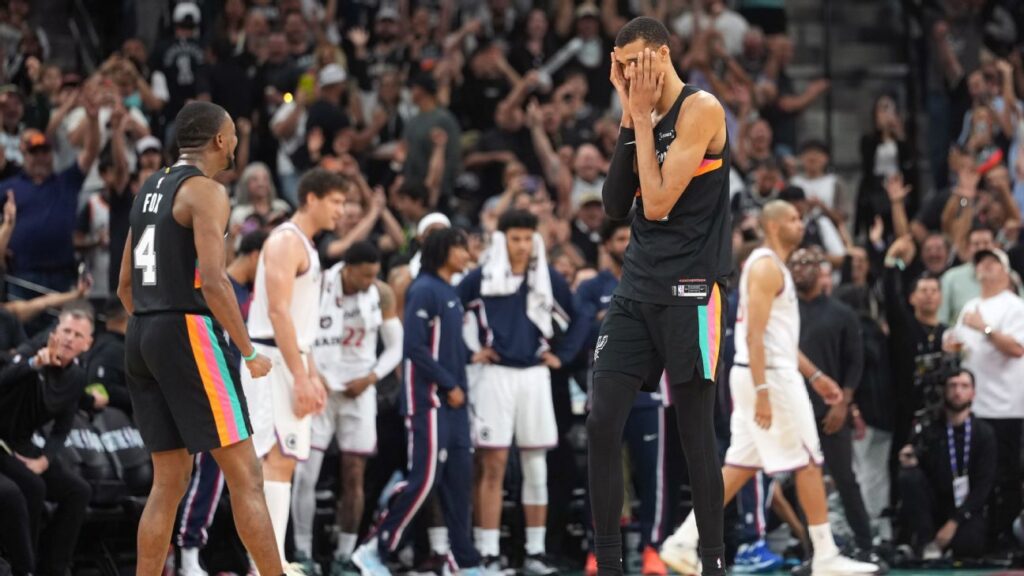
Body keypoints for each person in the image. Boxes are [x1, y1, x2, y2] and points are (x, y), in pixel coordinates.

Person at [659, 202, 878, 575]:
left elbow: (779, 337)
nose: (800, 224)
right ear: (774, 226)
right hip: (768, 377)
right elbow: (752, 335)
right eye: (793, 219)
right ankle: (825, 556)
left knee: (740, 466)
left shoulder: (774, 267)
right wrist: (762, 390)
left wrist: (816, 377)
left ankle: (683, 539)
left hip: (766, 372)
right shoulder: (765, 267)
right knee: (809, 460)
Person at [590, 17, 732, 576]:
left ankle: (714, 562)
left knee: (695, 432)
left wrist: (644, 121)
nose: (627, 74)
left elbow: (655, 204)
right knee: (602, 420)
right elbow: (613, 201)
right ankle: (610, 564)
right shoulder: (640, 108)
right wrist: (630, 116)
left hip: (693, 291)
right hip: (638, 288)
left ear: (664, 55)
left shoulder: (702, 109)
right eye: (620, 66)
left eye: (636, 63)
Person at [116, 101, 283, 576]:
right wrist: (247, 351)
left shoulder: (148, 189)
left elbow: (124, 285)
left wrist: (156, 330)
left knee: (168, 480)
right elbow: (215, 281)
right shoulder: (205, 192)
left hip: (142, 330)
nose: (233, 142)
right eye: (232, 134)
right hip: (186, 329)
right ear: (219, 140)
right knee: (246, 474)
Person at [458, 209, 586, 574]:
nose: (521, 245)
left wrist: (560, 356)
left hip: (534, 375)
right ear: (501, 239)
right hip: (494, 375)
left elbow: (578, 319)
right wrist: (470, 352)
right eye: (515, 238)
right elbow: (450, 311)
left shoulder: (545, 277)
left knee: (535, 465)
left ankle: (534, 550)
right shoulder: (481, 277)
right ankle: (486, 550)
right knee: (492, 463)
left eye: (527, 238)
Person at [352, 228, 485, 576]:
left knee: (459, 480)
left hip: (455, 403)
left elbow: (450, 348)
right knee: (424, 479)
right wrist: (448, 383)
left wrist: (474, 357)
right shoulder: (424, 289)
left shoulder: (451, 292)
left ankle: (465, 561)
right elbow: (414, 347)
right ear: (444, 250)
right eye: (461, 246)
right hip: (429, 401)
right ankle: (374, 549)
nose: (467, 253)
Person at [242, 168, 347, 564]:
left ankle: (271, 563)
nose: (341, 210)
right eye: (335, 202)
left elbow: (300, 321)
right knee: (273, 460)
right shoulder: (286, 241)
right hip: (272, 358)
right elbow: (278, 311)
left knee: (282, 463)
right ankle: (265, 566)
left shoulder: (306, 244)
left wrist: (311, 373)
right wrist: (300, 376)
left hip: (292, 355)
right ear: (311, 199)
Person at [292, 241, 403, 573]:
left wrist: (371, 378)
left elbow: (396, 348)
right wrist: (313, 375)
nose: (370, 280)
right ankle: (302, 552)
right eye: (365, 275)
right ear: (348, 268)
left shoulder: (381, 294)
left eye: (374, 274)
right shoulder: (317, 284)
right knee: (305, 474)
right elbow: (296, 334)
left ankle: (344, 554)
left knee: (354, 475)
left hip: (359, 391)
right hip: (320, 390)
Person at [577, 216, 671, 576]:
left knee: (654, 476)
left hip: (650, 394)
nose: (627, 243)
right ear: (606, 245)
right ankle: (596, 548)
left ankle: (653, 549)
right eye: (619, 238)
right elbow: (581, 338)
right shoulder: (589, 287)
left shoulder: (657, 281)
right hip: (604, 393)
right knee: (600, 472)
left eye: (631, 237)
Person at [175, 229, 267, 576]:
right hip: (205, 385)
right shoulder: (211, 286)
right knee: (200, 472)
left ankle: (248, 558)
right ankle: (186, 553)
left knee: (244, 477)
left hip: (240, 390)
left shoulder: (251, 294)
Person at [789, 246, 880, 562]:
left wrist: (844, 405)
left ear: (821, 270)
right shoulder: (785, 312)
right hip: (797, 411)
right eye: (796, 264)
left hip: (833, 411)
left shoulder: (842, 313)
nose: (801, 269)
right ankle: (812, 553)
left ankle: (866, 545)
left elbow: (855, 363)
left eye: (808, 263)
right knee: (803, 480)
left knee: (845, 479)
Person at [0, 308, 95, 576]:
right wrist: (34, 365)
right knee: (32, 487)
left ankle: (53, 567)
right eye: (66, 331)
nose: (69, 339)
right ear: (54, 332)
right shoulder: (31, 352)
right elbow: (4, 379)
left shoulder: (76, 376)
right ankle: (23, 567)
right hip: (3, 440)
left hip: (23, 443)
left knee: (78, 491)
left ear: (87, 344)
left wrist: (45, 459)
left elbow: (62, 427)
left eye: (77, 335)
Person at [944, 247, 1024, 544]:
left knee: (1007, 475)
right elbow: (958, 344)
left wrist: (985, 328)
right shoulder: (969, 306)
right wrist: (951, 343)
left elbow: (1016, 348)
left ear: (1005, 271)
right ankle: (982, 535)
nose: (985, 267)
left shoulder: (1014, 306)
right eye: (981, 263)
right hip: (972, 406)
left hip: (1006, 406)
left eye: (993, 262)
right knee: (979, 475)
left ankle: (1007, 535)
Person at [897, 369, 995, 559]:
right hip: (933, 506)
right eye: (953, 385)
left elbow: (984, 486)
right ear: (944, 390)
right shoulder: (929, 429)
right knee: (908, 476)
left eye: (964, 386)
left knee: (969, 545)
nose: (958, 391)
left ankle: (943, 545)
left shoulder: (984, 434)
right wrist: (910, 459)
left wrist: (954, 522)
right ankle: (925, 542)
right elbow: (915, 466)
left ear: (973, 393)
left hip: (964, 509)